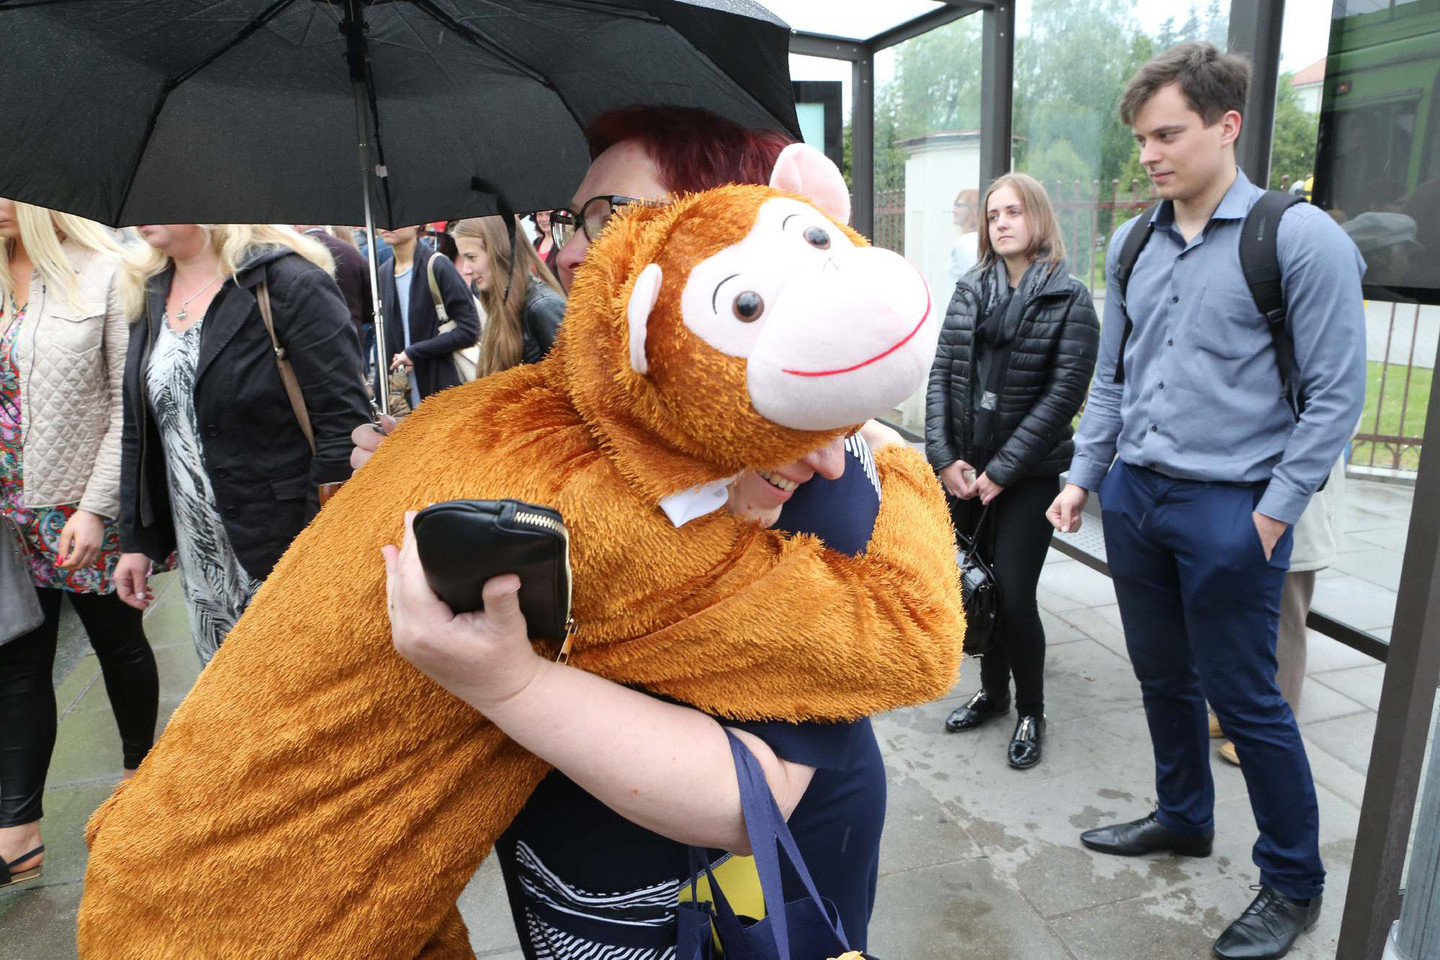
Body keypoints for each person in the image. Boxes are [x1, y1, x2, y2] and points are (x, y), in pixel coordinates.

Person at [355, 106, 897, 956]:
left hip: (731, 901)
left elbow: (750, 798)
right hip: (567, 866)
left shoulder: (811, 462)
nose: (572, 251)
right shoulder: (614, 414)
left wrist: (509, 685)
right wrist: (425, 469)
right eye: (575, 222)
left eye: (610, 218)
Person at [1047, 43, 1366, 960]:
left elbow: (1337, 398)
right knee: (1161, 677)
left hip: (1235, 508)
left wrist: (1272, 513)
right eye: (1142, 139)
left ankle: (1294, 883)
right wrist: (1083, 477)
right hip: (1136, 499)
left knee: (1248, 699)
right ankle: (1184, 816)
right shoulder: (1134, 242)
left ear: (1227, 126)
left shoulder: (1297, 239)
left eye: (1168, 135)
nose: (1149, 155)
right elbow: (1114, 377)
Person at [112, 224, 372, 665]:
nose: (140, 216)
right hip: (201, 553)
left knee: (300, 685)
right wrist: (135, 540)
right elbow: (140, 425)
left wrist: (314, 549)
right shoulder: (149, 290)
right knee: (226, 691)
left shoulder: (288, 282)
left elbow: (343, 427)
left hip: (284, 542)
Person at [0, 199, 158, 890]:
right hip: (10, 513)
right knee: (17, 663)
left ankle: (140, 779)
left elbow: (128, 405)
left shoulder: (107, 273)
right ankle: (18, 834)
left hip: (81, 507)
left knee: (117, 643)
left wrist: (96, 509)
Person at [927, 173, 1099, 769]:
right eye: (993, 214)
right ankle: (992, 695)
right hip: (964, 472)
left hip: (1027, 479)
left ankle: (1031, 710)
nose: (1000, 223)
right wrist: (943, 457)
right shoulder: (970, 289)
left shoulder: (1069, 299)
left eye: (1014, 212)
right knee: (977, 589)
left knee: (1017, 598)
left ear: (1039, 218)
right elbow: (941, 376)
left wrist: (1001, 470)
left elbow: (1063, 397)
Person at [1214, 455, 1345, 765]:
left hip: (1291, 503)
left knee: (1283, 623)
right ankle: (1231, 712)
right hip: (1239, 495)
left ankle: (1271, 727)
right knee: (1230, 615)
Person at [376, 224, 480, 408]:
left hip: (442, 389)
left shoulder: (437, 265)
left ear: (416, 224)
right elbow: (384, 341)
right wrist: (379, 398)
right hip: (403, 397)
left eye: (396, 217)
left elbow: (470, 330)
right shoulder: (383, 273)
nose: (387, 224)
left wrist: (415, 352)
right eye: (381, 216)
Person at [451, 216, 564, 374]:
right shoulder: (499, 303)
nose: (466, 269)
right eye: (463, 258)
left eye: (471, 257)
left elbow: (576, 382)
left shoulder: (542, 306)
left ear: (501, 251)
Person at [946, 188, 980, 289]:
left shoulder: (968, 241)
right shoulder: (972, 239)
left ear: (973, 209)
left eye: (959, 205)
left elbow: (973, 281)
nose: (954, 210)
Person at [529, 210, 558, 274]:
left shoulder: (563, 244)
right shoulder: (536, 243)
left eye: (548, 214)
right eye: (540, 214)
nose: (544, 219)